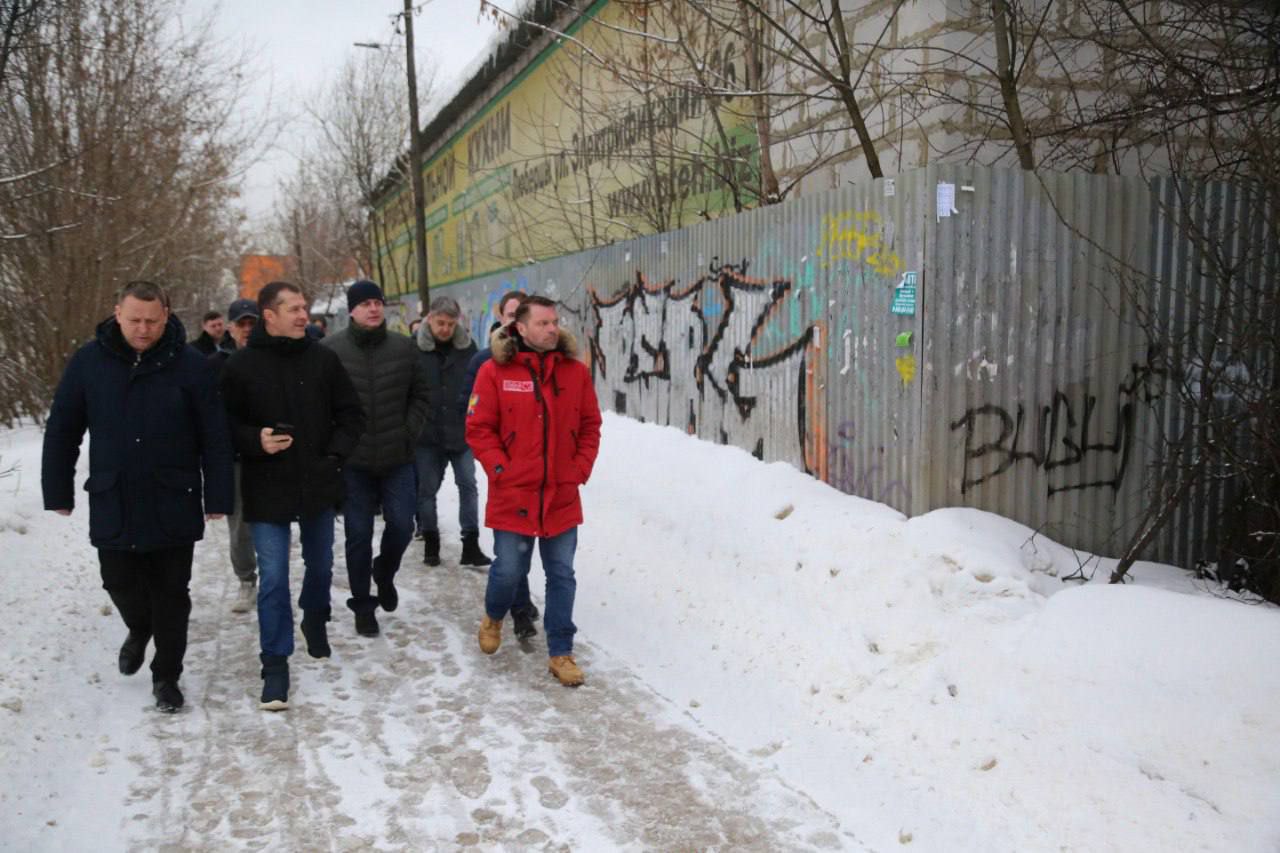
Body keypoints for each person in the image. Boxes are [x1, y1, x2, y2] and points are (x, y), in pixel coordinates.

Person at [42, 281, 233, 713]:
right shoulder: (89, 362)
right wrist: (57, 490)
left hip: (173, 497)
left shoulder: (191, 365)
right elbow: (63, 429)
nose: (143, 329)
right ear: (117, 314)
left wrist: (218, 496)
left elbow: (215, 435)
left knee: (172, 593)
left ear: (166, 316)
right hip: (115, 496)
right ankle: (140, 625)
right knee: (118, 581)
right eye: (134, 320)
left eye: (151, 321)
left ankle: (167, 676)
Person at [219, 281, 365, 711]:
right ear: (269, 315)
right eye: (294, 309)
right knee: (274, 579)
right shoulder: (241, 366)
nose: (304, 315)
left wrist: (334, 456)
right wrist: (255, 440)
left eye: (304, 307)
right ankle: (275, 664)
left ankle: (315, 614)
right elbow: (222, 426)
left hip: (317, 481)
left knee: (320, 566)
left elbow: (352, 415)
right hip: (266, 486)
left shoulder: (323, 359)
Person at [466, 295, 602, 686]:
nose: (552, 329)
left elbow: (591, 425)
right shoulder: (494, 371)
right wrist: (500, 469)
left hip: (561, 494)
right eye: (543, 323)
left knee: (562, 574)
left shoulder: (574, 373)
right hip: (514, 493)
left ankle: (561, 652)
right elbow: (478, 428)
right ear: (520, 328)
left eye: (554, 322)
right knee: (509, 570)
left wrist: (579, 468)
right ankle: (494, 616)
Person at [322, 280, 429, 638]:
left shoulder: (404, 347)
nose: (373, 308)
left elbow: (421, 395)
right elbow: (322, 404)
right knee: (358, 534)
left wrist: (408, 431)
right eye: (365, 303)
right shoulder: (331, 350)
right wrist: (337, 444)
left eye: (377, 302)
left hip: (398, 457)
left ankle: (384, 572)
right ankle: (363, 605)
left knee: (401, 525)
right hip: (354, 461)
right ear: (351, 310)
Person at [460, 290, 540, 641]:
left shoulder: (545, 361)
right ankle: (518, 611)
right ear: (502, 316)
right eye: (511, 314)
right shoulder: (485, 362)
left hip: (537, 477)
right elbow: (471, 411)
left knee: (524, 551)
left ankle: (520, 602)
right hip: (505, 476)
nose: (516, 322)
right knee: (511, 554)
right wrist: (497, 463)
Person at [414, 296, 490, 569]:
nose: (445, 328)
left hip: (461, 432)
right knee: (426, 490)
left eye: (450, 323)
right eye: (440, 323)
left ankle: (470, 544)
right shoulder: (414, 349)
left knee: (468, 485)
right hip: (427, 434)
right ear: (429, 319)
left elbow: (479, 387)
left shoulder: (468, 349)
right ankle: (431, 541)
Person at [207, 298, 261, 613]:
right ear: (231, 327)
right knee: (240, 524)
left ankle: (274, 578)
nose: (248, 329)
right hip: (236, 456)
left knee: (274, 520)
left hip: (272, 453)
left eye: (253, 323)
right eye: (242, 324)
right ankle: (246, 579)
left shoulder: (272, 358)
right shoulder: (216, 364)